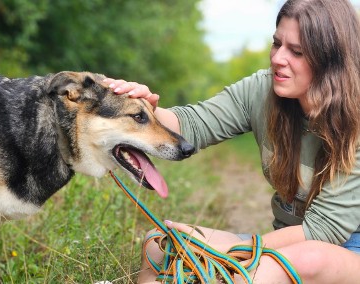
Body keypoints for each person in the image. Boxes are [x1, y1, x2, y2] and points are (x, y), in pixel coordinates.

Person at [105, 0, 360, 282]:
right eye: (277, 44)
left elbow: (324, 231)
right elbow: (193, 125)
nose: (277, 58)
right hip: (286, 246)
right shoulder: (263, 90)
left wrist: (232, 249)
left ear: (330, 61)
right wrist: (143, 109)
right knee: (160, 245)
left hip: (344, 252)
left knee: (282, 265)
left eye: (296, 51)